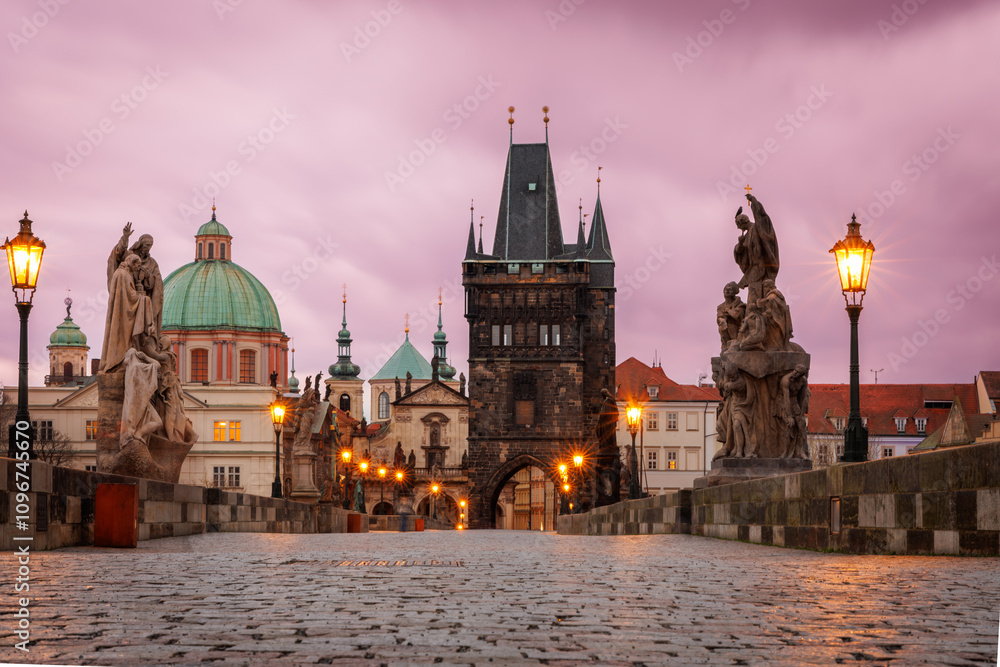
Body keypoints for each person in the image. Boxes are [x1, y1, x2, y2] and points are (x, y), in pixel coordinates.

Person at [107, 223, 164, 339]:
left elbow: (157, 285)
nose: (148, 248)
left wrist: (148, 277)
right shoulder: (129, 256)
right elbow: (118, 254)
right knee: (127, 331)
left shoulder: (152, 263)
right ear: (141, 244)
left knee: (143, 333)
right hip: (128, 299)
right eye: (147, 245)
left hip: (142, 300)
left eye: (150, 246)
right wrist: (125, 237)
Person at [100, 254, 155, 372]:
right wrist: (144, 299)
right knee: (123, 340)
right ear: (132, 263)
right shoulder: (123, 275)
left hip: (121, 314)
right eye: (137, 266)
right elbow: (129, 298)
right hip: (124, 316)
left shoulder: (122, 273)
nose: (137, 269)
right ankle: (119, 362)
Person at [733, 194, 779, 308]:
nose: (739, 229)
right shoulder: (746, 236)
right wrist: (740, 244)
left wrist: (754, 202)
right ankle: (754, 317)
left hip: (764, 266)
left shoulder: (757, 227)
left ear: (742, 222)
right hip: (754, 269)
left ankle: (763, 316)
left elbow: (762, 217)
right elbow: (739, 253)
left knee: (766, 292)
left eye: (739, 226)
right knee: (753, 294)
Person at [716, 281, 746, 351]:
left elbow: (738, 315)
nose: (727, 290)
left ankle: (734, 346)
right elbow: (720, 316)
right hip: (725, 329)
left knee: (731, 324)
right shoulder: (720, 307)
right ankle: (725, 346)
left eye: (730, 289)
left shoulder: (740, 304)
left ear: (734, 292)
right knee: (722, 326)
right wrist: (722, 320)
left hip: (737, 329)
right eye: (726, 289)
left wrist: (728, 311)